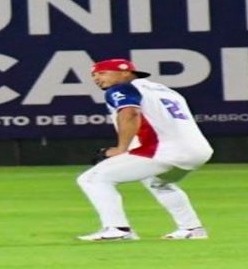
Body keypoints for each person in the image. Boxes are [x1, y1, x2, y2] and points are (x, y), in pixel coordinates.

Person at [77, 58, 213, 241]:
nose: (96, 78)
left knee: (92, 179)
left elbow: (130, 113)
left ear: (125, 73)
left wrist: (121, 149)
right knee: (158, 182)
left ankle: (118, 229)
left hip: (165, 150)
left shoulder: (122, 88)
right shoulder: (165, 90)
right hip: (198, 150)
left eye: (102, 73)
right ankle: (192, 229)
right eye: (93, 75)